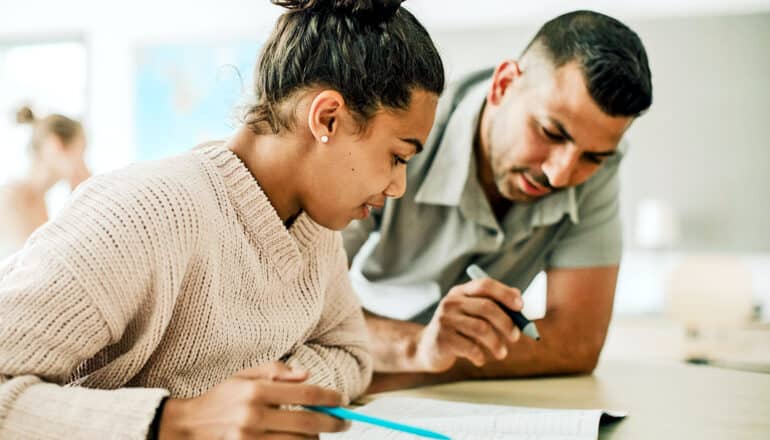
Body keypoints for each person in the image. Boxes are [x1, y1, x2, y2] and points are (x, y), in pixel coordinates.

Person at [0, 0, 443, 438]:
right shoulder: (142, 214)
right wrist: (176, 421)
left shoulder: (316, 227)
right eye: (397, 156)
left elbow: (349, 354)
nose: (398, 186)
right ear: (326, 118)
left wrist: (260, 405)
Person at [342, 10, 653, 391]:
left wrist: (421, 365)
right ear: (504, 85)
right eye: (550, 132)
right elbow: (298, 315)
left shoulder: (597, 166)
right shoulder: (403, 133)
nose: (560, 175)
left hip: (391, 373)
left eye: (593, 157)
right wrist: (417, 347)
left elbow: (576, 344)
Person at [0, 107, 91, 259]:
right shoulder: (9, 198)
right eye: (81, 152)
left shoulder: (40, 202)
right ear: (56, 145)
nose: (84, 165)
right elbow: (35, 264)